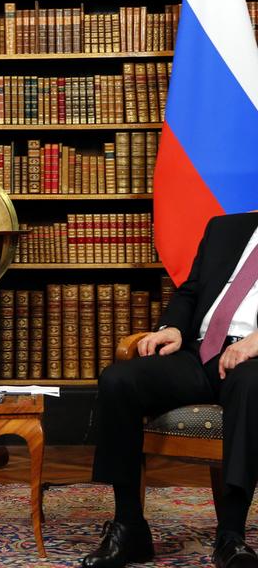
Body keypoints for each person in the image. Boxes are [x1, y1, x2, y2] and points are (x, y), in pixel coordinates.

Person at [83, 211, 258, 568]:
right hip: (200, 351)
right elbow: (191, 291)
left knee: (252, 386)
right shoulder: (226, 228)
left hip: (252, 361)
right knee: (119, 380)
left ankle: (231, 535)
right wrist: (173, 327)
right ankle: (129, 526)